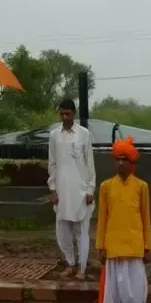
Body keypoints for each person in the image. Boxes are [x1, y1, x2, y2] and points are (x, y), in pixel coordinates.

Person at [96, 135, 151, 303]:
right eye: (117, 159)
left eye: (124, 159)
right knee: (117, 294)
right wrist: (100, 246)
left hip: (135, 248)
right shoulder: (106, 187)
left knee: (135, 294)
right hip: (113, 248)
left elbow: (146, 218)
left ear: (132, 163)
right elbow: (102, 219)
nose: (120, 163)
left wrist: (148, 247)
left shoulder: (141, 187)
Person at [47, 98, 96, 280]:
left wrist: (90, 190)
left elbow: (90, 163)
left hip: (81, 189)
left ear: (73, 113)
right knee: (63, 229)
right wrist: (52, 188)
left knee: (81, 231)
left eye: (67, 114)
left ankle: (82, 268)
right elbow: (52, 163)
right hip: (61, 189)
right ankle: (70, 263)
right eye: (61, 114)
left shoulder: (84, 134)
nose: (64, 117)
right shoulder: (54, 135)